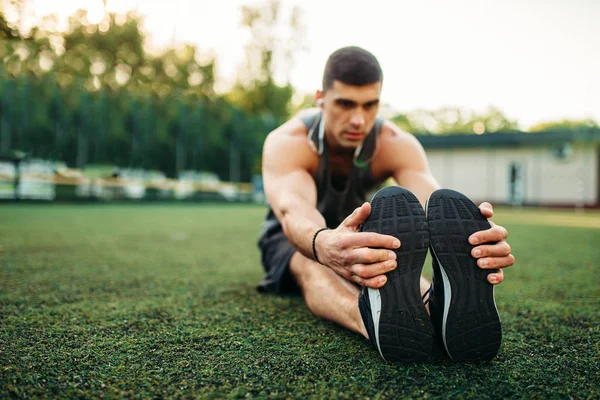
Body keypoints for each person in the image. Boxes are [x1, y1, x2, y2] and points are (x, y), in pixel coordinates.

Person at [256, 46, 514, 363]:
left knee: (387, 254)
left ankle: (436, 307)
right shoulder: (290, 142)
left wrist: (473, 236)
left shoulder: (394, 143)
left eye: (370, 105)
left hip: (362, 229)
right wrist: (323, 243)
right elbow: (292, 209)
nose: (358, 119)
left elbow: (433, 203)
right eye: (345, 104)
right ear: (321, 97)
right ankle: (369, 319)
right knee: (311, 264)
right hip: (295, 237)